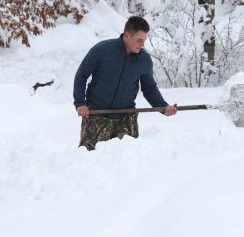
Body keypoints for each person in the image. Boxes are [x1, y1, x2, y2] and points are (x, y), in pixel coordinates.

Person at [73, 16, 177, 150]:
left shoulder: (144, 60)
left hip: (125, 118)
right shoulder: (102, 50)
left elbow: (149, 88)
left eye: (144, 40)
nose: (142, 45)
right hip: (96, 116)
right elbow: (81, 75)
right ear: (127, 35)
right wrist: (80, 103)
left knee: (127, 161)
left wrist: (163, 107)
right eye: (139, 40)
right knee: (90, 161)